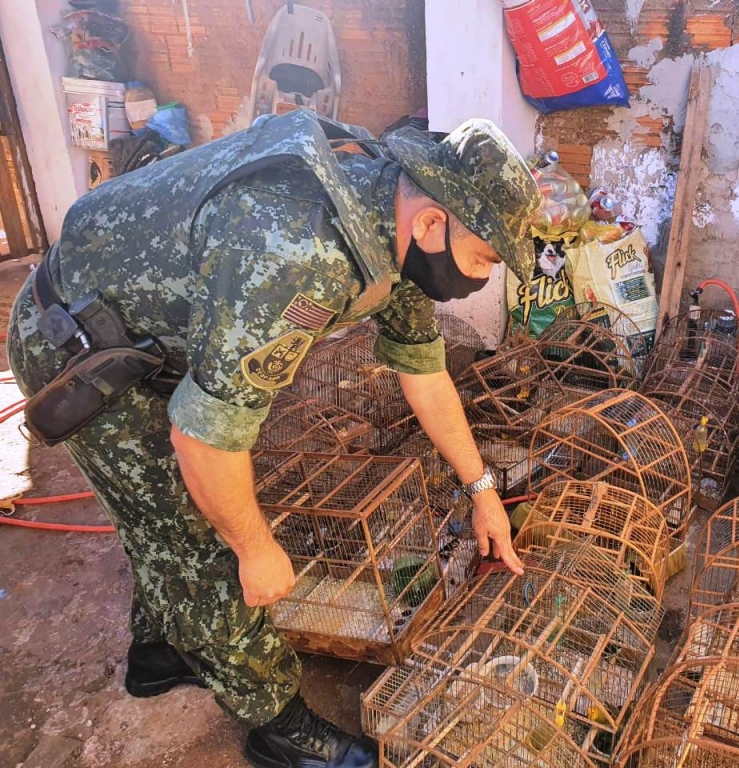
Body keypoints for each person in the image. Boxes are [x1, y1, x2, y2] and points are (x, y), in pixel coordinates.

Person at [6, 109, 540, 768]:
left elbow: (425, 373)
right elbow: (202, 442)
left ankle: (160, 653)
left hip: (150, 334)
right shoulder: (297, 254)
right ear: (433, 222)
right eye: (484, 257)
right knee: (196, 536)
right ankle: (280, 728)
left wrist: (482, 491)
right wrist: (255, 549)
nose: (481, 278)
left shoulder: (388, 217)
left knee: (165, 511)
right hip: (77, 345)